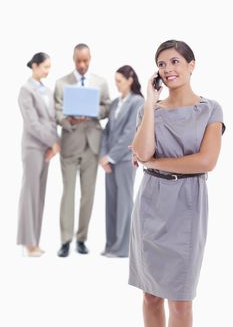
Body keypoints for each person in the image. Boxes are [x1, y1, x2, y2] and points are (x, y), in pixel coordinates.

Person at [128, 40, 225, 327]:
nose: (168, 69)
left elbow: (206, 161)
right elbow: (142, 152)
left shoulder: (211, 110)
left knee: (181, 302)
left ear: (191, 66)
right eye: (161, 64)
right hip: (150, 204)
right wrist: (149, 101)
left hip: (187, 205)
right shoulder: (150, 111)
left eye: (175, 62)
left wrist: (155, 163)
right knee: (150, 296)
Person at [54, 43, 111, 257]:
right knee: (68, 193)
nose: (82, 65)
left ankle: (81, 239)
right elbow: (56, 111)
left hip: (92, 146)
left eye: (85, 60)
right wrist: (69, 119)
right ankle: (65, 241)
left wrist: (94, 111)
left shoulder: (101, 83)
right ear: (73, 59)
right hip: (70, 143)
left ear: (90, 59)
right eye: (78, 61)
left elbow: (107, 107)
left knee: (88, 195)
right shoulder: (61, 84)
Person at [17, 52, 60, 257]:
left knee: (40, 194)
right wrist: (51, 141)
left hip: (47, 148)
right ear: (34, 66)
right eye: (45, 67)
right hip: (33, 147)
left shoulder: (47, 90)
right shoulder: (26, 91)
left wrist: (55, 144)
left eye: (49, 67)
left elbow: (52, 120)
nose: (47, 71)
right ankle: (28, 243)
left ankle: (36, 240)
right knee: (29, 193)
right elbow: (32, 123)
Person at [99, 65, 144, 257]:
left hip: (125, 159)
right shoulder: (116, 103)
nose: (116, 85)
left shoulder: (138, 102)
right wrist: (103, 157)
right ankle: (110, 245)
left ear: (130, 80)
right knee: (111, 202)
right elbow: (107, 131)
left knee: (124, 202)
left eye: (119, 81)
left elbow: (130, 134)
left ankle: (122, 248)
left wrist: (111, 156)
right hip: (109, 161)